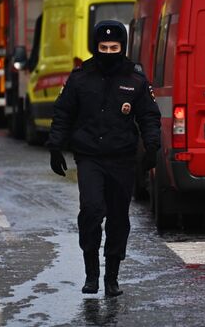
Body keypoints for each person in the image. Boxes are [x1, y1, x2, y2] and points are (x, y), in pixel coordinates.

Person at [46, 20, 161, 297]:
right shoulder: (80, 78)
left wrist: (152, 148)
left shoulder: (135, 81)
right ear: (95, 47)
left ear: (122, 47)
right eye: (103, 47)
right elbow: (63, 113)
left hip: (122, 158)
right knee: (92, 210)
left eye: (114, 47)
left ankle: (112, 278)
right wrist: (55, 147)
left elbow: (149, 117)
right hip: (89, 157)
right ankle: (91, 275)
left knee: (118, 217)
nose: (108, 52)